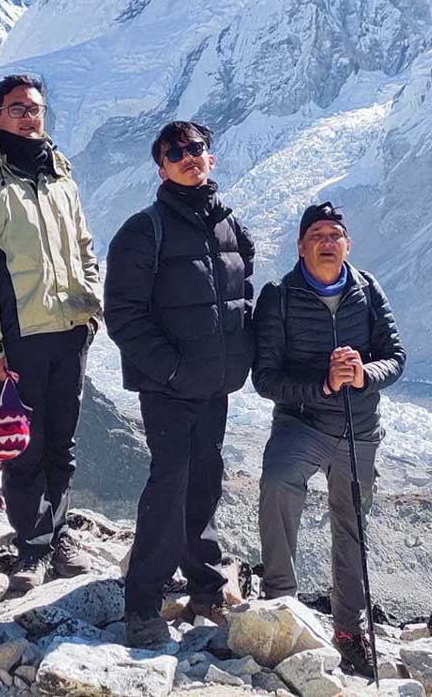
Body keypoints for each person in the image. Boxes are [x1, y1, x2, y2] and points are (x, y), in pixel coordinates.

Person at [105, 121, 256, 647]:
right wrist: (171, 370)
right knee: (170, 484)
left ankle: (206, 588)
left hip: (214, 386)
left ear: (211, 158)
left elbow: (242, 291)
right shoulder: (144, 231)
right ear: (161, 166)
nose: (189, 157)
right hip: (169, 388)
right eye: (176, 152)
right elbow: (122, 315)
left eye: (196, 149)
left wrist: (238, 356)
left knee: (206, 481)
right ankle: (142, 605)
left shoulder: (229, 225)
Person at [0, 73, 104, 590]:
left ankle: (58, 531)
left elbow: (84, 246)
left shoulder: (61, 176)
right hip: (20, 333)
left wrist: (92, 307)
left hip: (69, 329)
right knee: (25, 445)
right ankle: (33, 545)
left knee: (61, 442)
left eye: (35, 108)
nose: (28, 116)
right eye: (17, 108)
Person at [252, 202, 406, 678]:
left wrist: (363, 375)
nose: (326, 241)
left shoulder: (367, 288)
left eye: (334, 234)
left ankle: (349, 630)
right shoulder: (279, 295)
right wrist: (323, 384)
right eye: (316, 234)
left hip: (358, 427)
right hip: (303, 422)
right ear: (301, 245)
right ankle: (281, 604)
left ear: (347, 244)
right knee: (278, 484)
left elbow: (395, 357)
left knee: (351, 525)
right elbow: (266, 377)